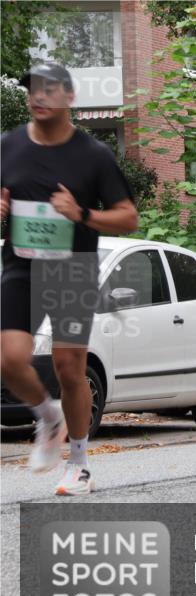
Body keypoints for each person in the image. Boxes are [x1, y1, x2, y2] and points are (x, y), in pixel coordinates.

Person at [0, 63, 138, 495]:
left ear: (70, 97)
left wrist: (81, 213)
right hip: (21, 265)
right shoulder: (8, 145)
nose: (39, 97)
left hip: (72, 268)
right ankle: (47, 415)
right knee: (9, 359)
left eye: (49, 89)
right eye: (32, 90)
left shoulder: (93, 154)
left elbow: (128, 218)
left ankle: (78, 464)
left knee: (69, 368)